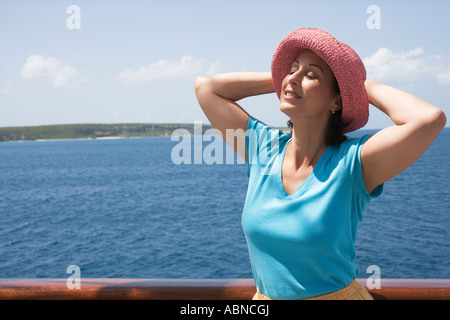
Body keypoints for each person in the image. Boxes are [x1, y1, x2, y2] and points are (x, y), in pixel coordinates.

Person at [194, 28, 446, 300]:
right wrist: (284, 79)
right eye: (292, 69)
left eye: (311, 75)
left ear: (336, 100)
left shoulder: (352, 163)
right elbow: (206, 87)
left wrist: (360, 87)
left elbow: (429, 119)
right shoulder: (262, 149)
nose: (294, 78)